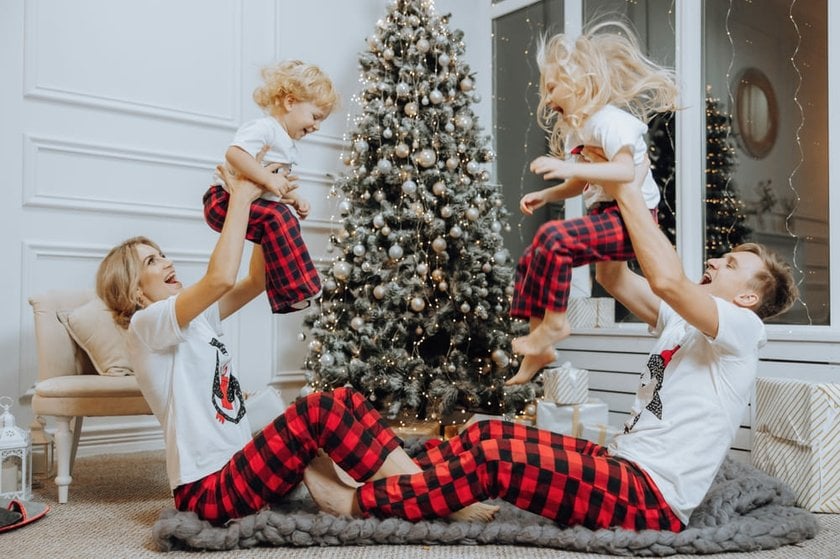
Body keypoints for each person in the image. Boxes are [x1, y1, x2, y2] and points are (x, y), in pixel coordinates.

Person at [303, 155, 798, 531]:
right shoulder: (684, 324)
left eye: (730, 265)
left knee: (496, 459)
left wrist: (628, 184)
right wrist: (606, 187)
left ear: (749, 296)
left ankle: (356, 504)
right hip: (621, 466)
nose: (714, 263)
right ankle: (412, 486)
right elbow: (613, 276)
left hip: (652, 499)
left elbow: (669, 282)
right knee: (482, 435)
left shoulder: (743, 329)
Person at [96, 162, 498, 525]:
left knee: (344, 401)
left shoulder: (195, 321)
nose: (167, 261)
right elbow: (219, 279)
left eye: (162, 254)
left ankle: (418, 486)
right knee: (318, 410)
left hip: (237, 467)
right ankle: (443, 500)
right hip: (207, 492)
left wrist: (263, 207)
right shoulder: (146, 326)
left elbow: (256, 281)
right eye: (152, 261)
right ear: (132, 291)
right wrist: (240, 196)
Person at [506, 21, 679, 384]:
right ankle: (540, 344)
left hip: (632, 220)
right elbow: (584, 180)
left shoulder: (610, 122)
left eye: (551, 86)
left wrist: (562, 164)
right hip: (607, 213)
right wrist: (547, 194)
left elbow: (622, 171)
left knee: (555, 239)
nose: (546, 98)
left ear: (581, 81)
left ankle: (554, 325)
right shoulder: (580, 129)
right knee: (535, 252)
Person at [204, 59, 338, 314]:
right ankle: (297, 290)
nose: (317, 126)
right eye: (315, 116)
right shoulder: (264, 128)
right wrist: (268, 181)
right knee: (278, 216)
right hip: (222, 200)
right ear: (290, 102)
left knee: (283, 217)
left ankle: (293, 293)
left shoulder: (285, 143)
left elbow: (275, 179)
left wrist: (293, 196)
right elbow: (235, 154)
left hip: (248, 202)